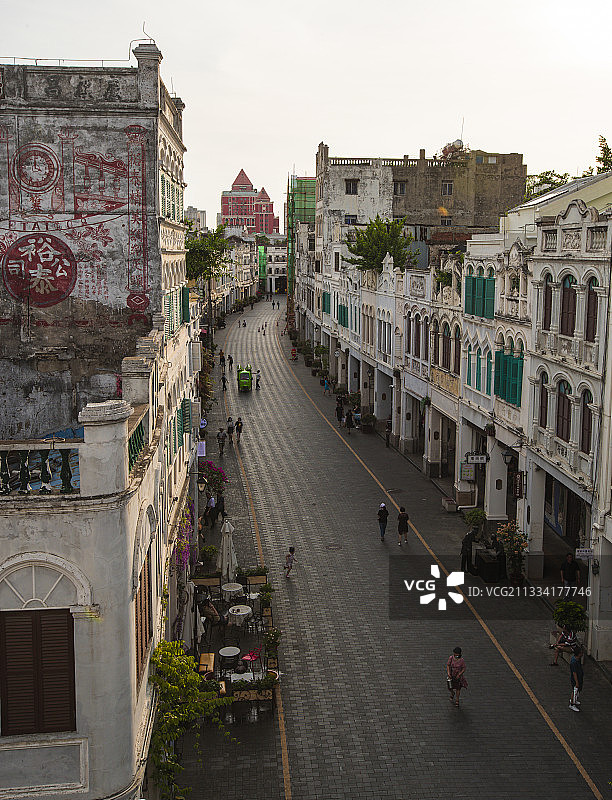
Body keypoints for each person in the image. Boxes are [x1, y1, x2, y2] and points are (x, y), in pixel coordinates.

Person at [569, 646, 583, 711]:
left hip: (579, 677)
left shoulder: (577, 659)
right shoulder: (574, 662)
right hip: (576, 679)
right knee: (575, 691)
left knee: (577, 690)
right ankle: (572, 704)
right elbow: (574, 673)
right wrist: (576, 681)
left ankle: (575, 700)